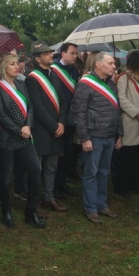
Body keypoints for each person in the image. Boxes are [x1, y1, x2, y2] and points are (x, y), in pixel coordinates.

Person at [0, 53, 44, 229]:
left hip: (24, 136)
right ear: (3, 67)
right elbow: (0, 115)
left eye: (17, 63)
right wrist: (17, 130)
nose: (17, 66)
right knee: (6, 176)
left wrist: (28, 126)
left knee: (36, 170)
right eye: (12, 64)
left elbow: (30, 106)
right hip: (7, 138)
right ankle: (6, 211)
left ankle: (31, 212)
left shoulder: (21, 84)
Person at [73, 53, 123, 223]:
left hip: (109, 136)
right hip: (94, 137)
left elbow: (117, 110)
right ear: (98, 65)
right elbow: (79, 114)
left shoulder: (111, 84)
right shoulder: (85, 85)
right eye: (110, 63)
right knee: (91, 173)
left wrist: (119, 134)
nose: (114, 66)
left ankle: (102, 204)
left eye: (114, 63)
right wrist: (84, 138)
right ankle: (91, 208)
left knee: (104, 172)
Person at [26, 42, 69, 215]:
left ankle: (49, 197)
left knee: (52, 166)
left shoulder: (55, 75)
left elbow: (64, 102)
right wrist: (53, 126)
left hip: (56, 129)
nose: (51, 55)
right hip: (42, 130)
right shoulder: (32, 78)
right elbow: (37, 106)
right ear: (37, 58)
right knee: (37, 168)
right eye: (46, 54)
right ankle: (34, 201)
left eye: (51, 53)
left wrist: (62, 123)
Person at [114, 50, 139, 197]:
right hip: (131, 120)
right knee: (126, 155)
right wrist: (136, 112)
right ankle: (122, 186)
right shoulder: (124, 77)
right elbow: (121, 98)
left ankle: (137, 184)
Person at [53, 42, 82, 191]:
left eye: (76, 54)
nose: (75, 56)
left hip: (71, 116)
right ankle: (54, 184)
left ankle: (62, 180)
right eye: (72, 53)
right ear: (63, 53)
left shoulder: (74, 71)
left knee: (67, 150)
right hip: (58, 116)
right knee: (58, 152)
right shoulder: (54, 70)